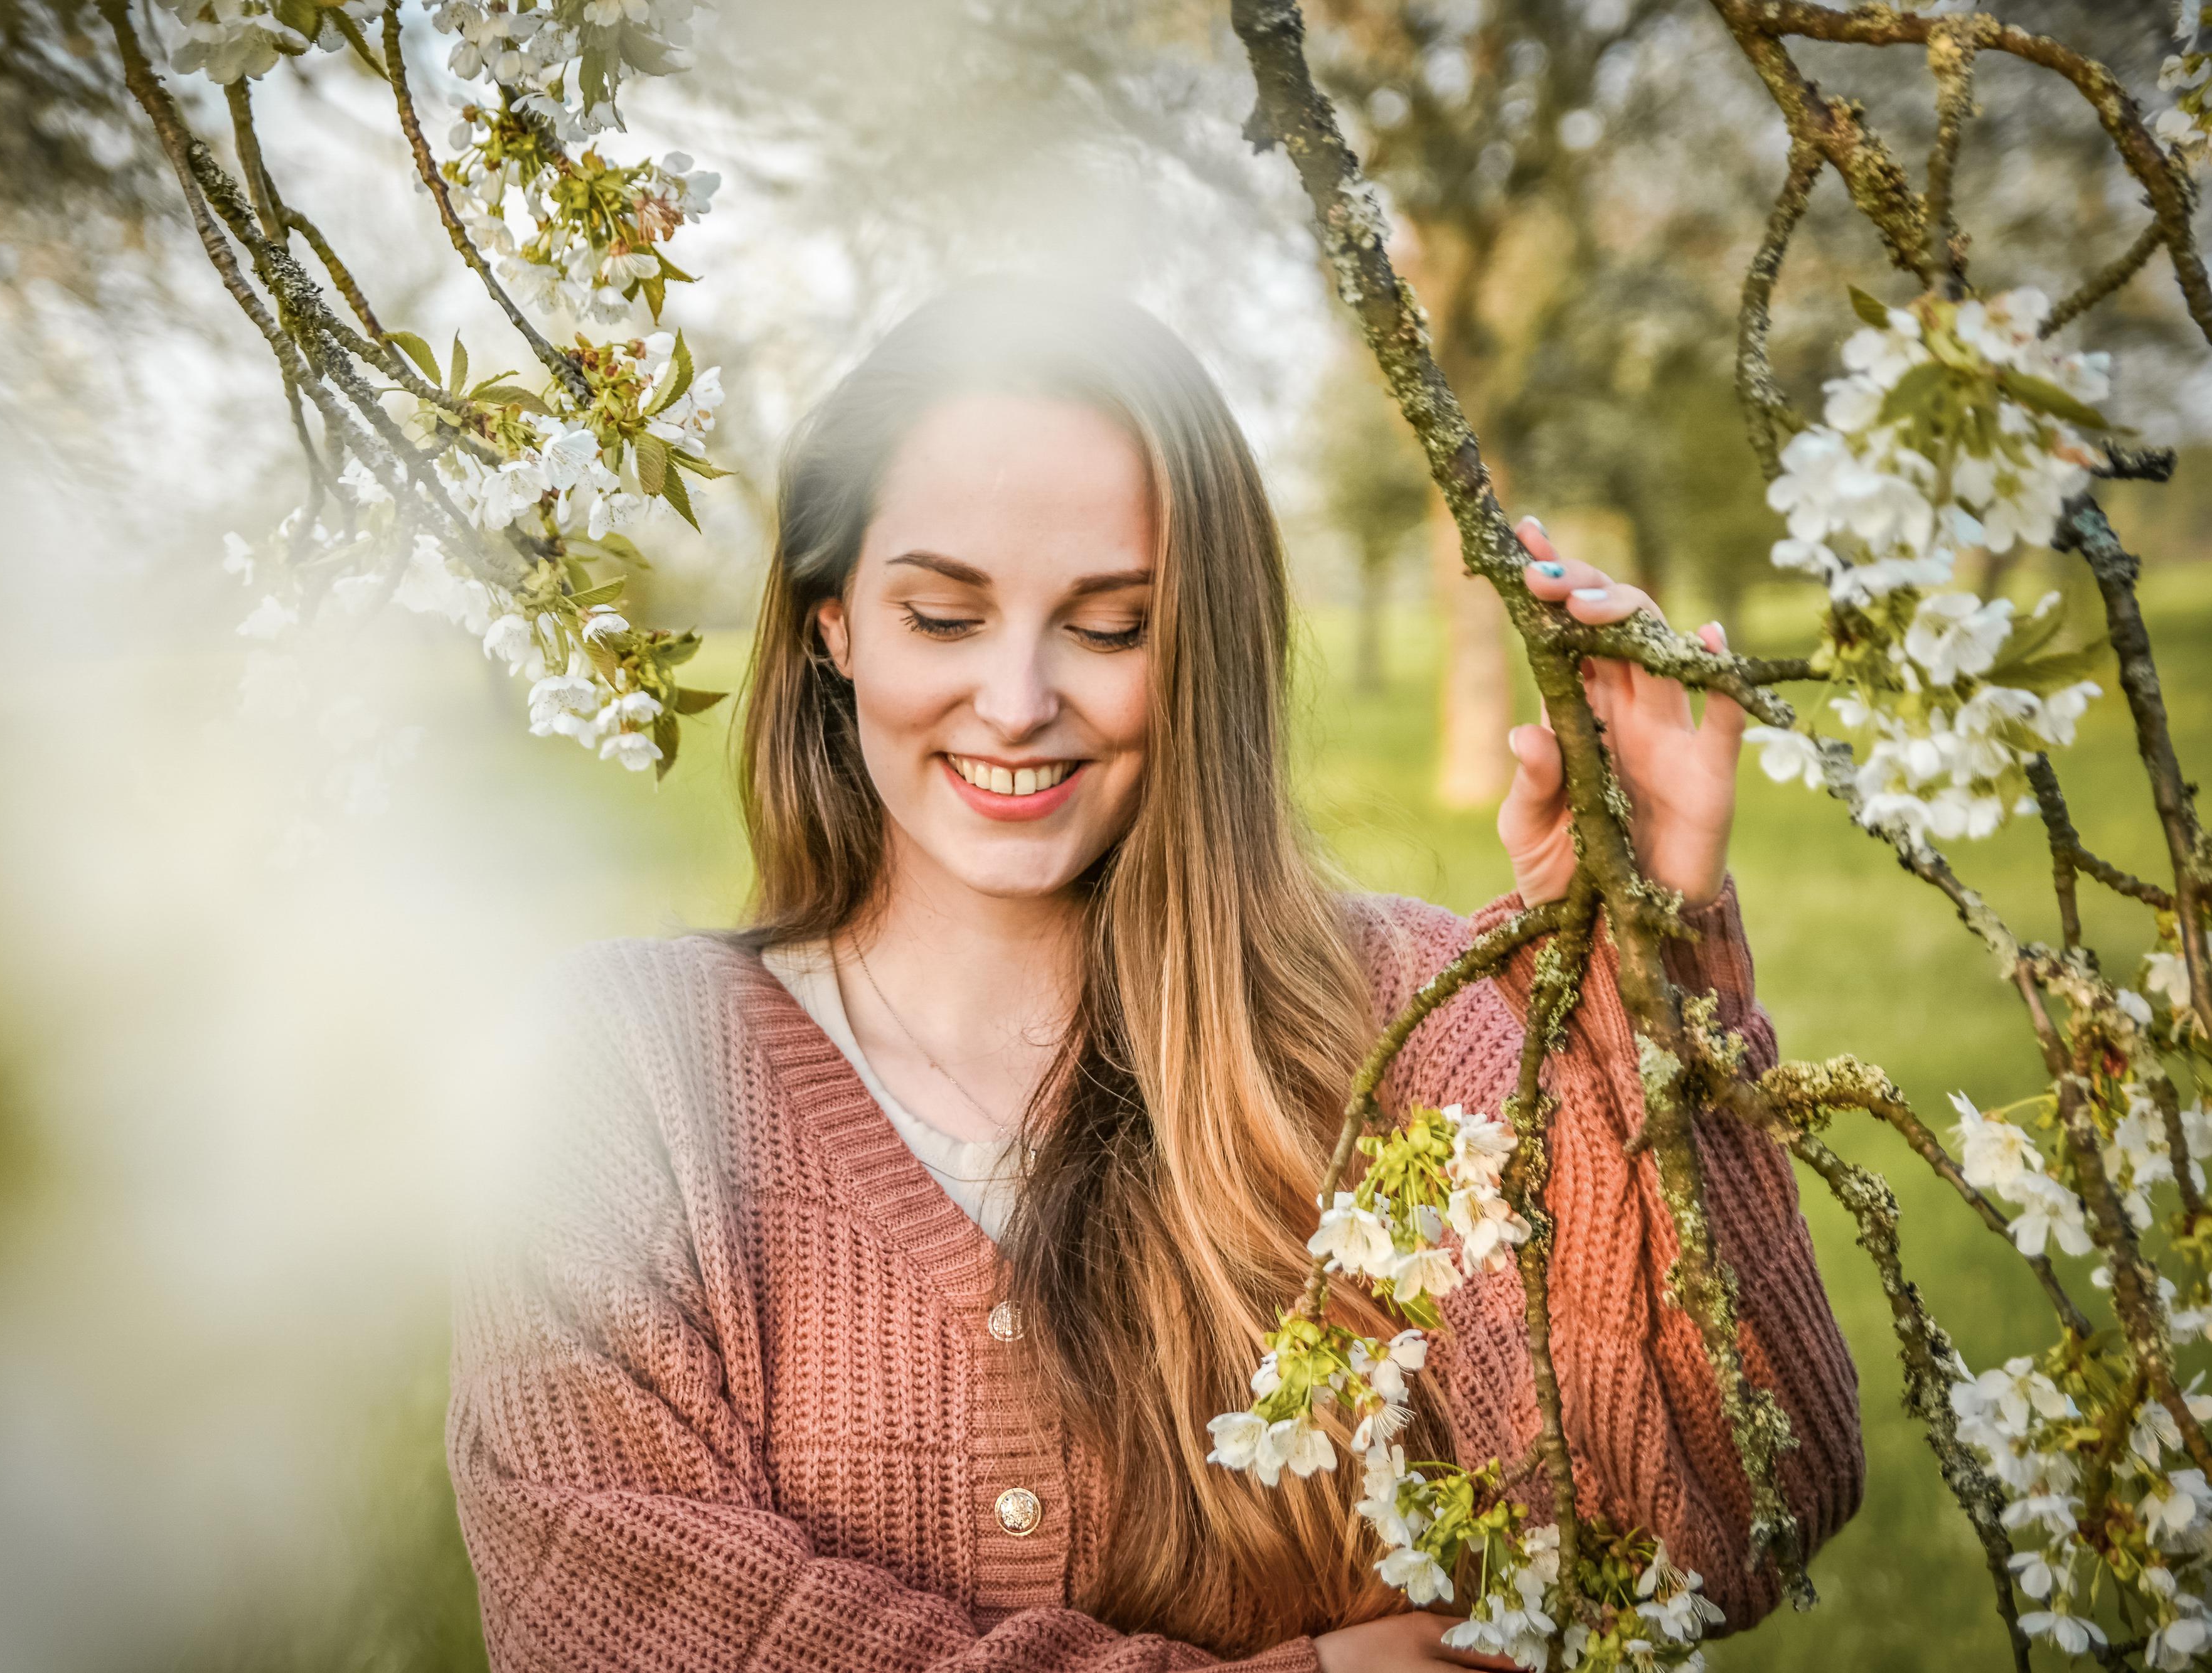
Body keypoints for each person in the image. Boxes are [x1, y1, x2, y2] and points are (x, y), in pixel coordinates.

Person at [445, 284, 1862, 1672]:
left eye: (1109, 624)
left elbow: (1724, 1521)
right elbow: (602, 1609)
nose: (1015, 699)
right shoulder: (620, 1071)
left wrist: (1643, 955)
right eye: (942, 616)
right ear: (833, 626)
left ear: (1201, 641)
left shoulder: (1407, 1020)